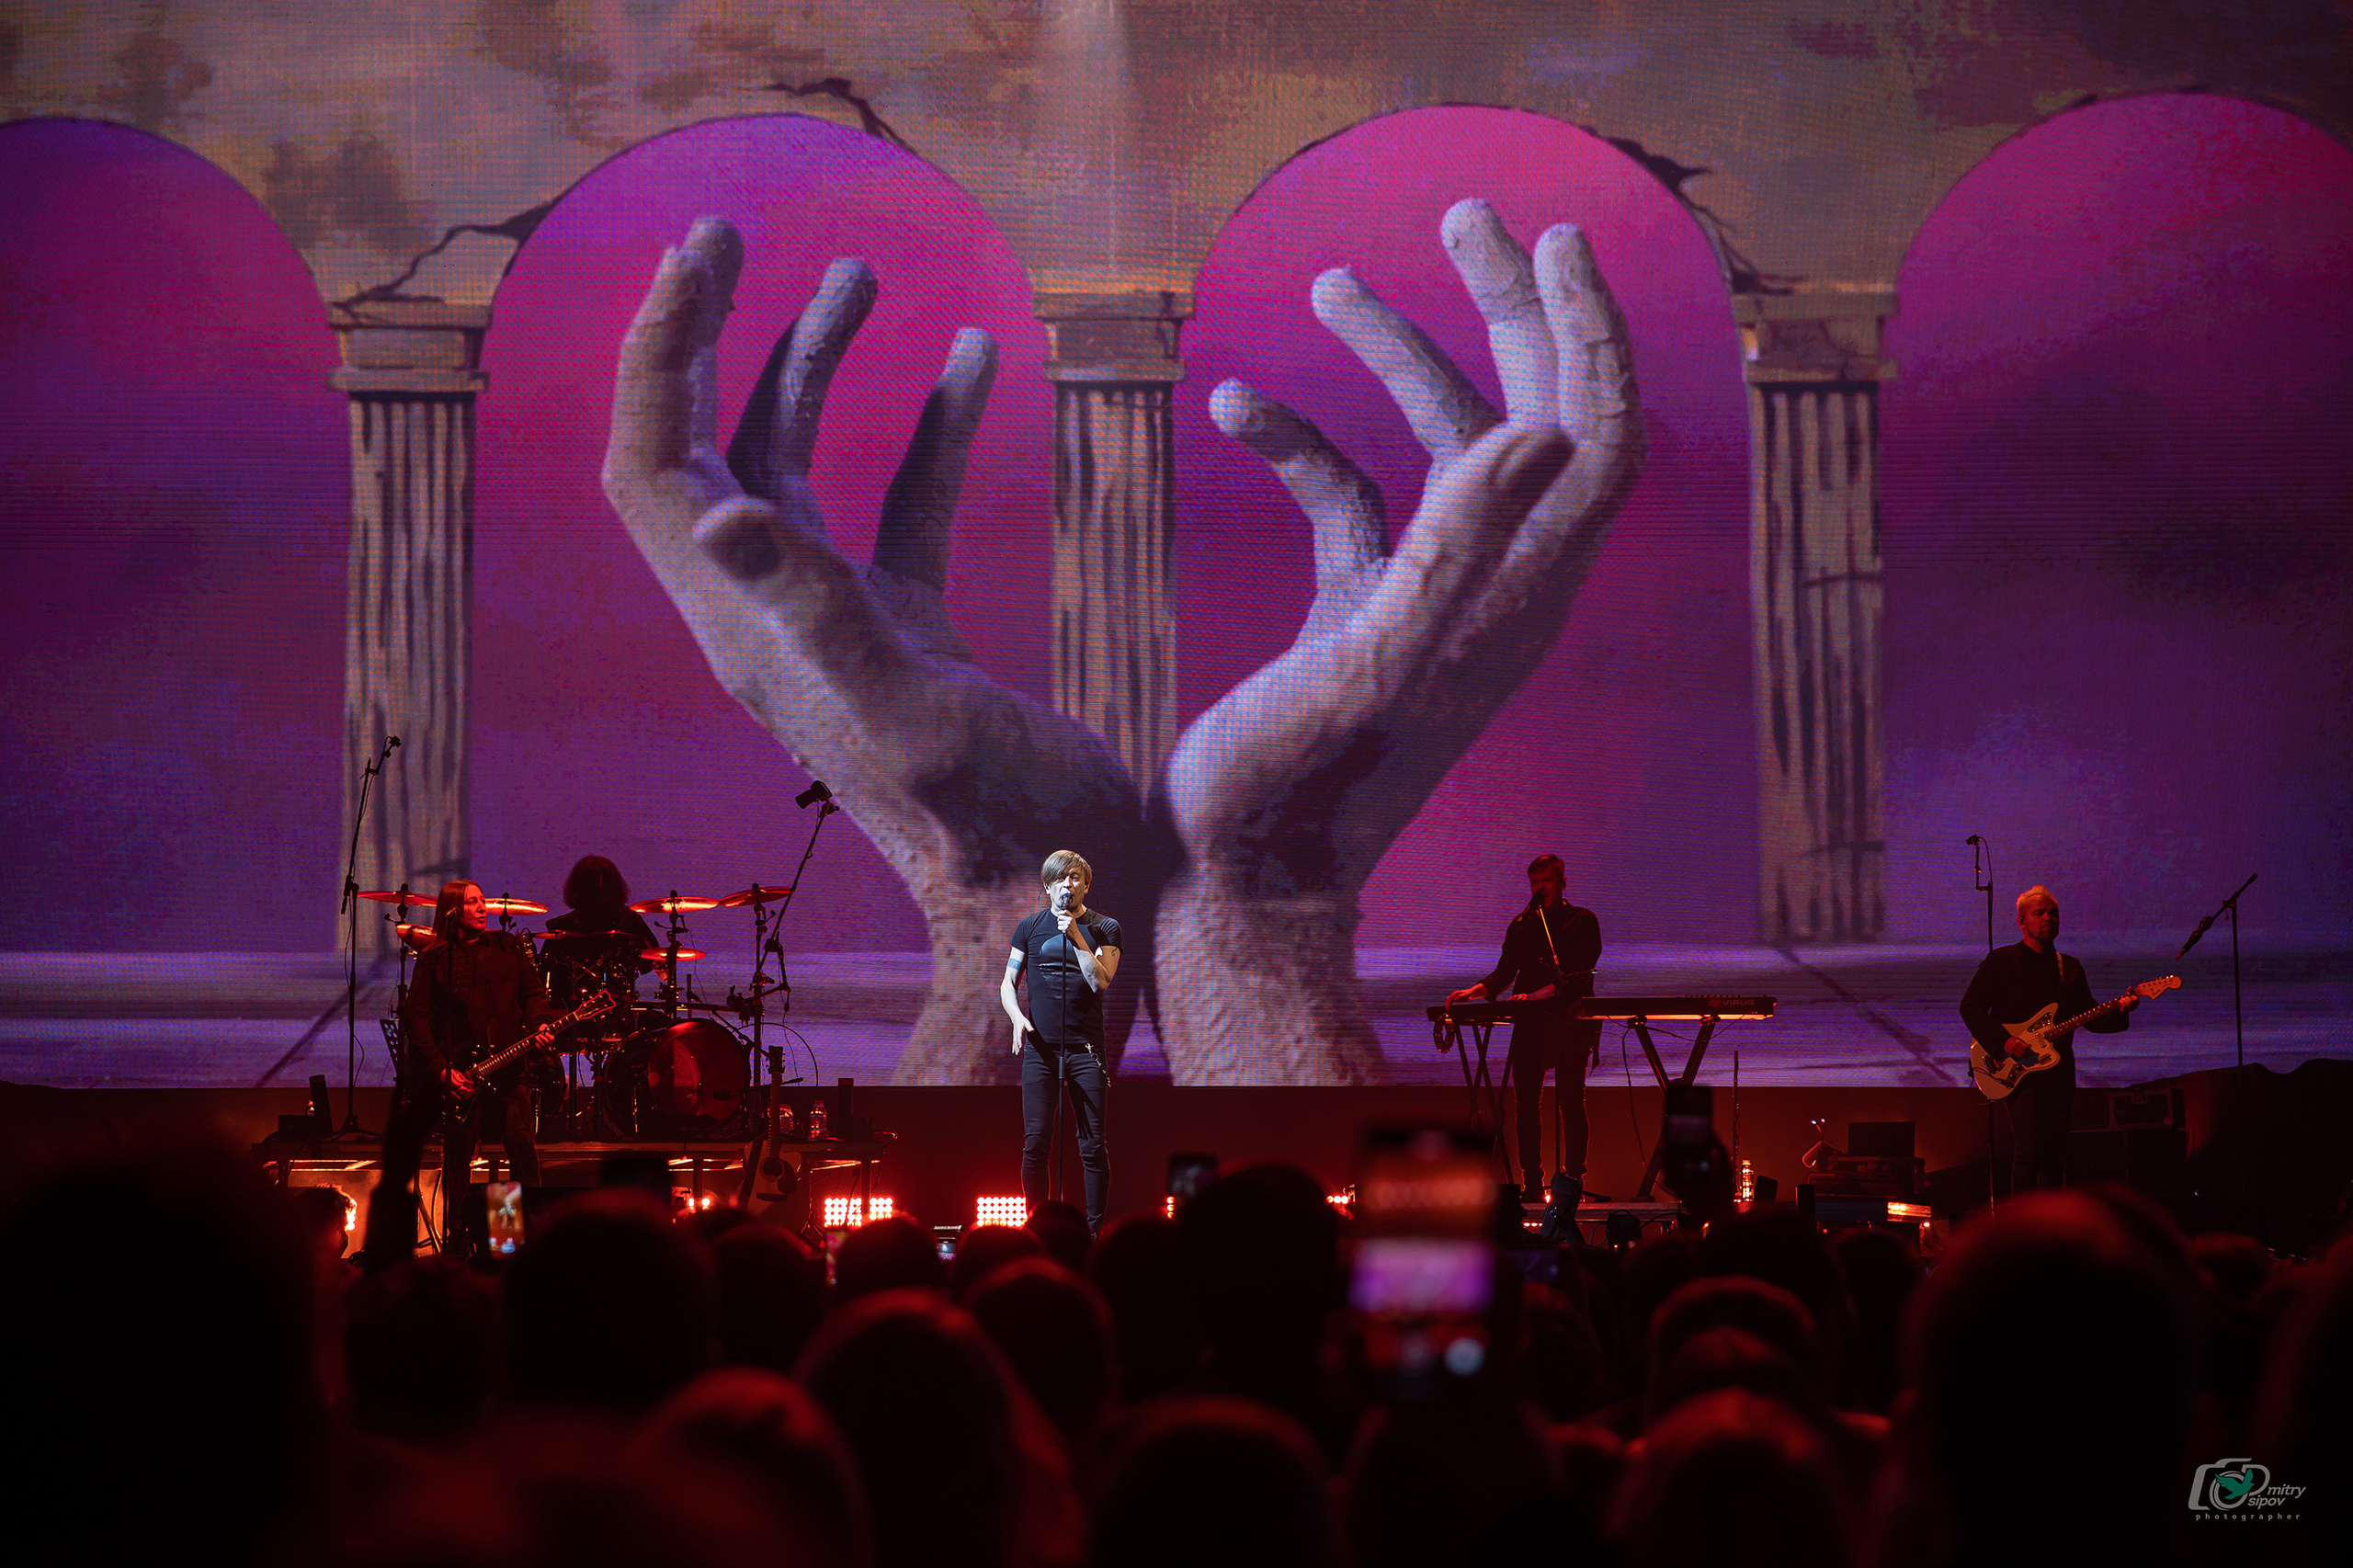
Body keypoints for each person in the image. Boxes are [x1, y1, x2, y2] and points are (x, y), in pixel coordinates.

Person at [398, 880, 558, 1254]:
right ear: (454, 910)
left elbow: (533, 994)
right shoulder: (436, 957)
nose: (483, 907)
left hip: (507, 1072)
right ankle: (459, 1241)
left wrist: (540, 1024)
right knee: (458, 1161)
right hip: (460, 1076)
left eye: (483, 901)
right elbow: (416, 1019)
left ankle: (514, 1241)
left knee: (519, 1146)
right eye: (473, 903)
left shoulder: (508, 947)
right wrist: (441, 1069)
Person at [1446, 854, 1602, 1203]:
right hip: (1530, 1022)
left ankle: (1573, 1179)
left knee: (1571, 1101)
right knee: (1526, 1102)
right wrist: (1475, 991)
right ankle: (1533, 1183)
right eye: (1534, 883)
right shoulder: (1521, 925)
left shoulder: (1582, 920)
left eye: (1546, 881)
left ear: (1562, 881)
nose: (1540, 888)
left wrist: (1534, 995)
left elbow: (1577, 977)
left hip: (1570, 1020)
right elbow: (1505, 973)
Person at [1959, 885, 2137, 1193]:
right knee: (2029, 1151)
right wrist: (2004, 1042)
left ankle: (2053, 1227)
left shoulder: (2068, 967)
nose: (2048, 918)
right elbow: (1970, 1008)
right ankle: (2023, 1230)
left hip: (2059, 1071)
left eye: (2052, 913)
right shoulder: (2001, 961)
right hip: (2017, 1069)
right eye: (2039, 913)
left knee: (2056, 1155)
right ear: (2021, 922)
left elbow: (2090, 1017)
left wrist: (2121, 1009)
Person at [1001, 850, 1120, 1234]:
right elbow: (1008, 982)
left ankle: (1093, 1233)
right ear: (1047, 885)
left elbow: (1100, 981)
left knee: (1092, 1146)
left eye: (1074, 878)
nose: (1067, 885)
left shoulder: (1105, 928)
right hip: (1041, 1050)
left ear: (1086, 884)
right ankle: (1038, 1230)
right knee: (1036, 1143)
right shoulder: (1029, 927)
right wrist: (1017, 1017)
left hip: (1086, 1052)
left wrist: (1076, 937)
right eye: (1059, 879)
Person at [543, 853, 661, 1006]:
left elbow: (653, 957)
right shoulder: (562, 926)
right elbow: (545, 969)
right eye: (593, 891)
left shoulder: (629, 921)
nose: (600, 897)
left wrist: (662, 965)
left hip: (618, 1005)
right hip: (569, 1007)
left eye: (604, 890)